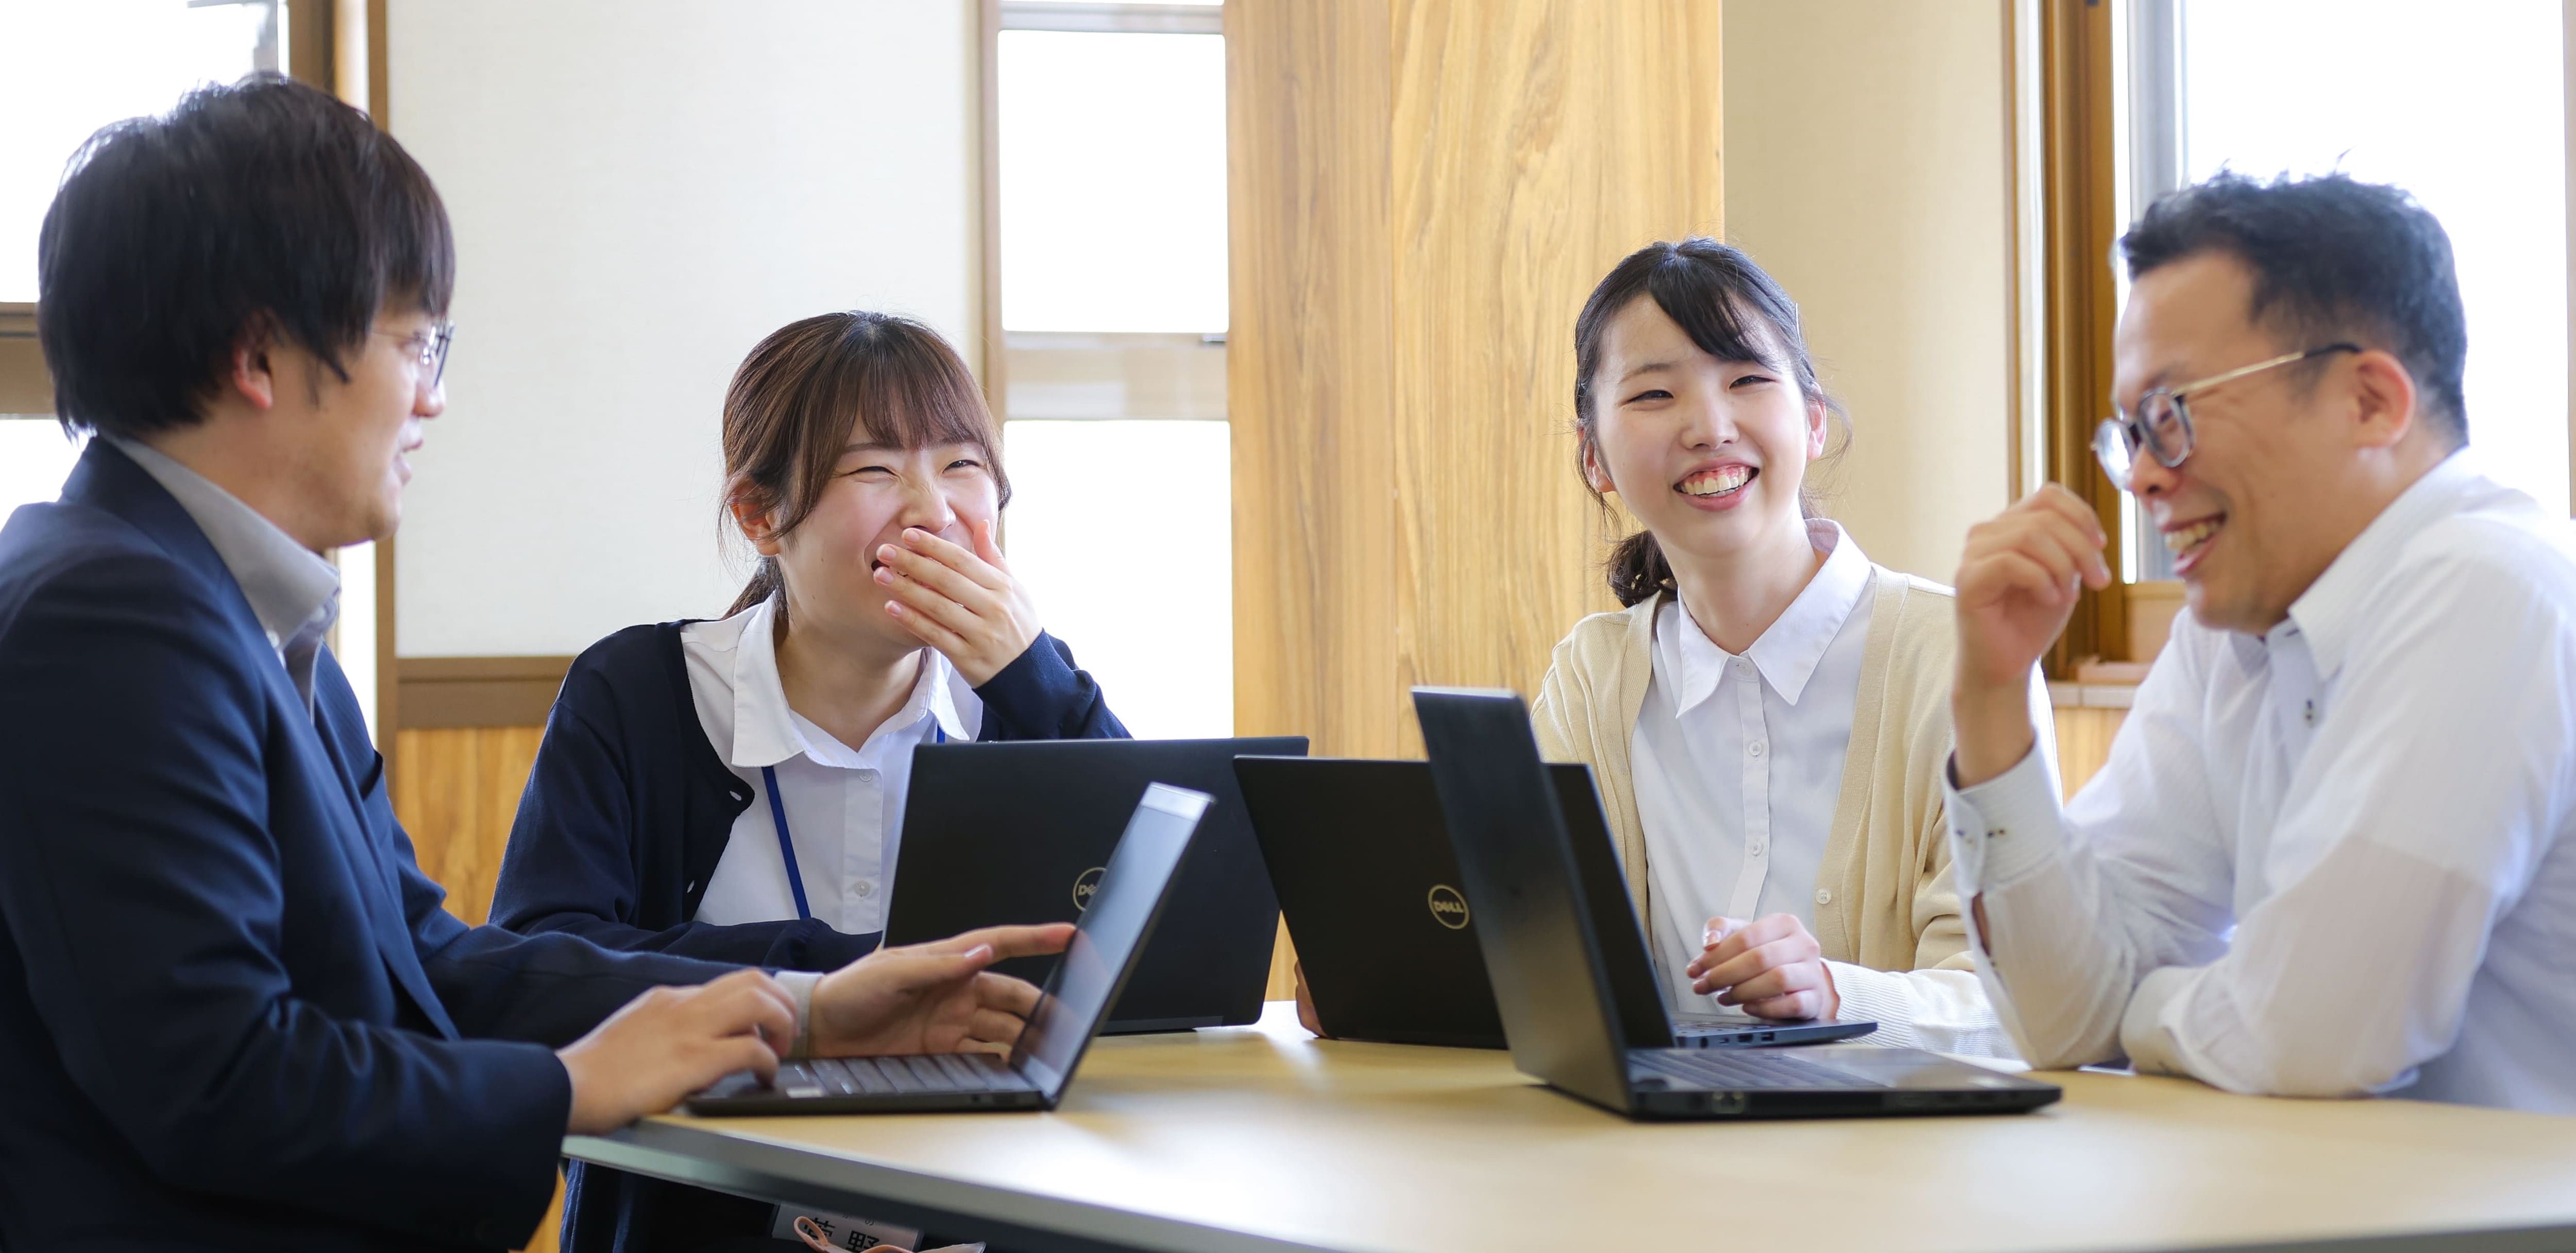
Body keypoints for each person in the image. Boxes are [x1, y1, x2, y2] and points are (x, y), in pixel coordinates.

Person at [0, 75, 1071, 1251]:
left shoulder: (245, 617)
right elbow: (219, 1079)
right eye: (415, 343)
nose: (434, 398)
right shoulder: (113, 617)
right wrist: (570, 1087)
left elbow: (433, 964)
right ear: (260, 355)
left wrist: (805, 1009)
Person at [489, 312, 1126, 1249]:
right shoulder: (639, 693)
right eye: (875, 471)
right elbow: (541, 960)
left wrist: (1035, 681)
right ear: (760, 516)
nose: (933, 510)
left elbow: (1163, 933)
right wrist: (836, 983)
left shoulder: (1026, 698)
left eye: (961, 465)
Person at [1945, 172, 2576, 1112]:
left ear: (2370, 402)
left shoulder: (2489, 585)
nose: (2143, 477)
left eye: (2173, 413)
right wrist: (1993, 696)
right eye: (2132, 433)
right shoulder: (2237, 634)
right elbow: (2066, 1015)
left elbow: (2312, 1036)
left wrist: (2145, 1009)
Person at [1528, 238, 2048, 1057]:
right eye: (1655, 393)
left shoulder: (1958, 658)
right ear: (1594, 458)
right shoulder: (1592, 678)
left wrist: (1838, 994)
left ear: (1811, 420)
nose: (1710, 427)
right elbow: (1537, 957)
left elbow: (2018, 1000)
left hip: (1895, 1133)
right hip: (1651, 1131)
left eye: (1747, 380)